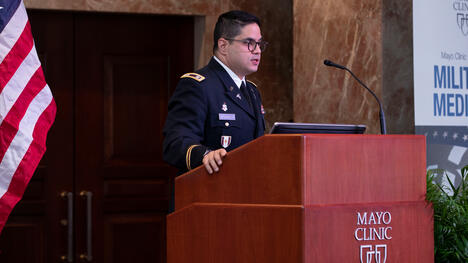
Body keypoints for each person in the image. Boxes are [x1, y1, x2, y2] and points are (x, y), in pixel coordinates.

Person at [163, 10, 267, 174]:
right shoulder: (197, 86)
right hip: (208, 192)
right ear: (223, 45)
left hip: (247, 191)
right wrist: (205, 155)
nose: (257, 50)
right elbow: (175, 143)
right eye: (249, 43)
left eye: (259, 44)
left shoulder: (252, 91)